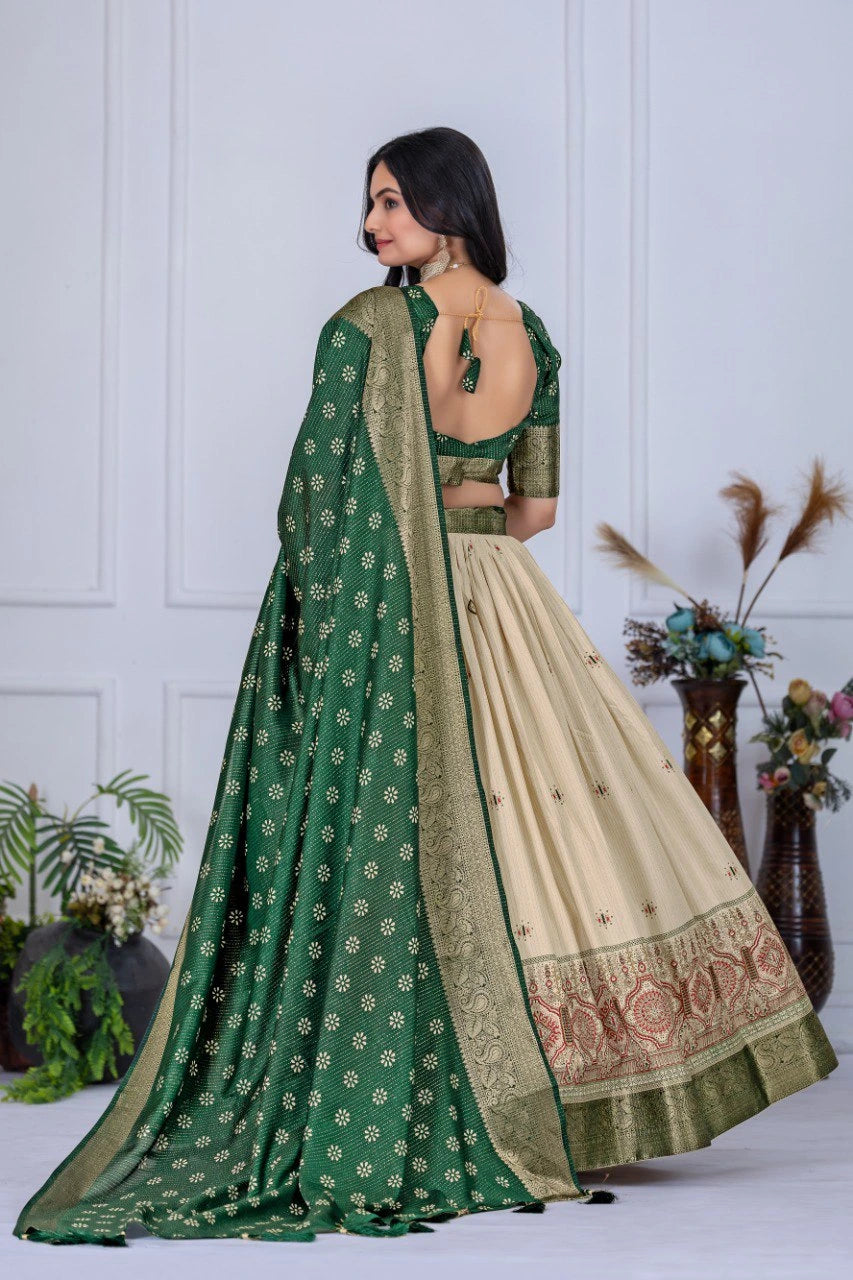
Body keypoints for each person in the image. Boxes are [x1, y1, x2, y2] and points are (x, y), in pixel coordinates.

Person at [13, 126, 837, 1247]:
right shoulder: (529, 333)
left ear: (445, 204)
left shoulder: (365, 327)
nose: (371, 226)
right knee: (544, 838)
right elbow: (535, 511)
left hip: (396, 601)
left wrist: (347, 581)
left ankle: (428, 1087)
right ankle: (567, 1094)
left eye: (391, 203)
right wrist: (464, 512)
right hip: (503, 598)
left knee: (400, 836)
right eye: (370, 206)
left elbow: (312, 502)